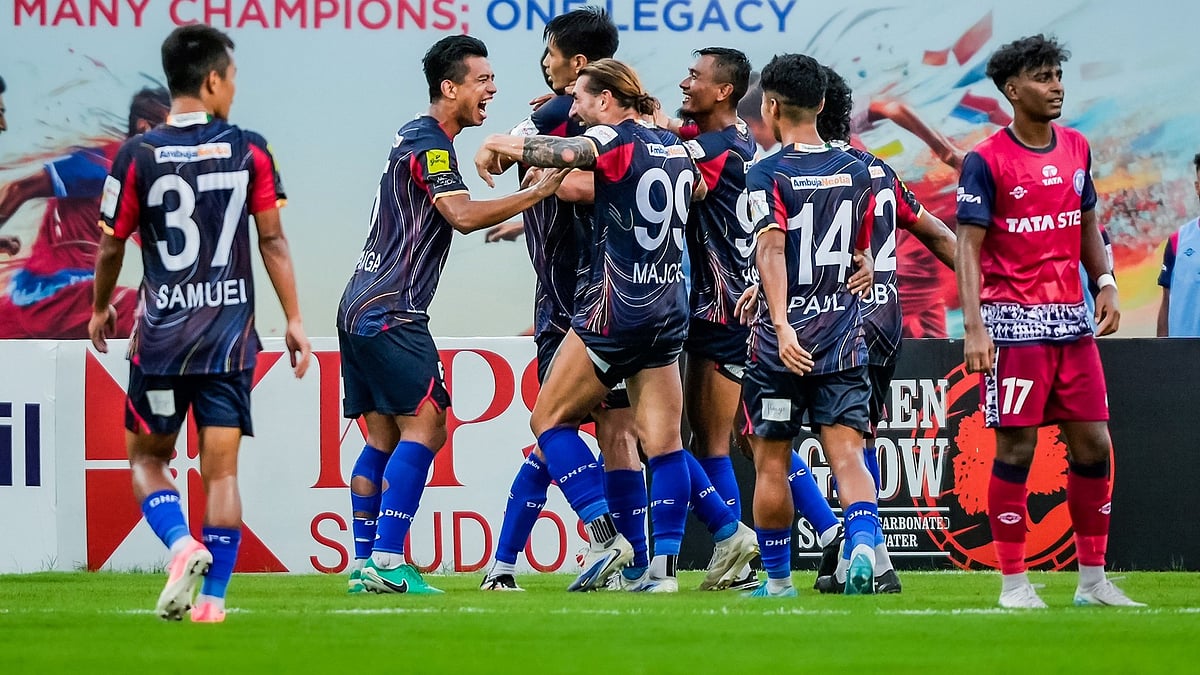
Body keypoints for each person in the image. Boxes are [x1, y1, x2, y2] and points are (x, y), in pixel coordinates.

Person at [476, 58, 758, 593]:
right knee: (665, 443)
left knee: (549, 421)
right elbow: (695, 193)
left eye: (581, 98)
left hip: (617, 311)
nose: (574, 107)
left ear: (606, 101)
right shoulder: (677, 149)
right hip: (670, 313)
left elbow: (564, 153)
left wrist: (498, 142)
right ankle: (697, 552)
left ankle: (605, 536)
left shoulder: (614, 139)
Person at [88, 24, 312, 623]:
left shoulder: (136, 155)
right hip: (228, 339)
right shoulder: (250, 148)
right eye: (232, 77)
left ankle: (181, 545)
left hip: (160, 340)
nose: (234, 88)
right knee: (222, 473)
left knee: (147, 459)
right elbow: (273, 240)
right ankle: (212, 603)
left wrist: (100, 306)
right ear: (212, 80)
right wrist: (293, 318)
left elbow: (111, 246)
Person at [339, 35, 569, 596]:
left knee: (385, 436)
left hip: (360, 302)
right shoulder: (432, 146)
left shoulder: (414, 136)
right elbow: (462, 216)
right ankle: (389, 561)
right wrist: (537, 194)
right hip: (393, 308)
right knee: (429, 424)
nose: (492, 89)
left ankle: (365, 563)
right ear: (450, 88)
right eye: (482, 80)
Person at [955, 34, 1142, 608]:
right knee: (1015, 453)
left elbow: (1087, 222)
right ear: (1012, 90)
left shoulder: (1078, 147)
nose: (1056, 85)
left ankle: (1092, 583)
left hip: (1073, 324)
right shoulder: (985, 160)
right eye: (1042, 76)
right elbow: (967, 246)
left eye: (1058, 74)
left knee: (1095, 447)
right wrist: (975, 327)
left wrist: (1105, 281)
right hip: (1013, 327)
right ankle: (1014, 585)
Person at [476, 8, 659, 593]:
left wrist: (517, 148)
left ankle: (593, 541)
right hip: (633, 295)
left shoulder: (559, 114)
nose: (544, 61)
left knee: (549, 427)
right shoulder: (644, 121)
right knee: (617, 434)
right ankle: (633, 570)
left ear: (580, 65)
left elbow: (581, 179)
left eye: (550, 51)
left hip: (571, 300)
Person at [812, 65, 958, 594]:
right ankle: (868, 556)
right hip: (883, 321)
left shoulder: (794, 172)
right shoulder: (880, 172)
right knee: (856, 438)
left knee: (813, 443)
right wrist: (988, 287)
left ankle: (859, 552)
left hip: (825, 323)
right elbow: (937, 233)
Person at [741, 53, 879, 597]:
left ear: (771, 106)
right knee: (847, 454)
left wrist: (780, 321)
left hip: (783, 345)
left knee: (771, 460)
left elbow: (773, 251)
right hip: (842, 338)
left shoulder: (767, 173)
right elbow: (858, 254)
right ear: (823, 104)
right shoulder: (855, 169)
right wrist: (862, 263)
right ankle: (864, 545)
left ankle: (777, 584)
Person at [0, 88, 169, 338]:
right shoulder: (101, 164)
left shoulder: (145, 179)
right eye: (173, 130)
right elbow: (17, 189)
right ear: (145, 127)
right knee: (155, 311)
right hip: (51, 294)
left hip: (65, 302)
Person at [1157, 153, 1200, 337]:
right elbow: (1166, 300)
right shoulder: (1178, 240)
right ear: (1197, 188)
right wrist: (1160, 355)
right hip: (1183, 358)